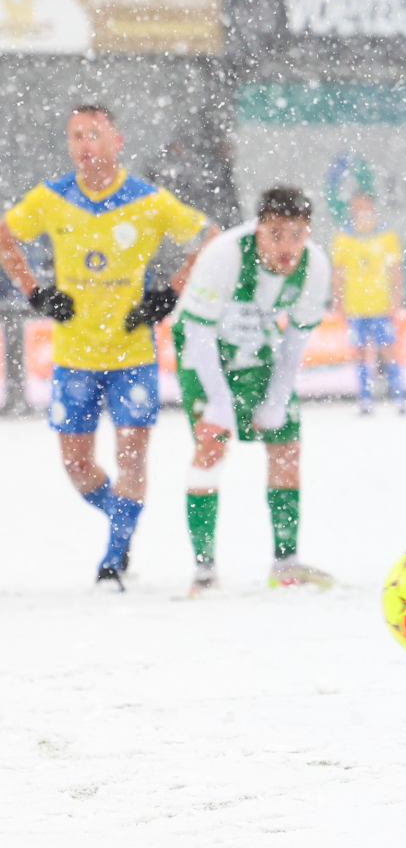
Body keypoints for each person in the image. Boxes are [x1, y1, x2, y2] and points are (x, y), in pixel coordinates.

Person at [0, 105, 216, 590]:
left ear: (117, 141)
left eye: (94, 134)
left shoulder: (149, 200)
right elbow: (5, 234)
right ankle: (125, 518)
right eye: (76, 135)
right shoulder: (52, 198)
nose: (84, 144)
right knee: (77, 466)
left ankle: (114, 557)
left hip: (132, 356)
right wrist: (35, 291)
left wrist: (172, 293)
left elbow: (210, 238)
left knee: (132, 458)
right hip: (74, 358)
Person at [173, 187, 335, 596]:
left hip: (257, 346)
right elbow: (197, 332)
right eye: (276, 234)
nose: (287, 246)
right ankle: (204, 569)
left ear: (308, 232)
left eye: (296, 235)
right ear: (258, 229)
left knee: (287, 446)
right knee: (211, 444)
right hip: (203, 351)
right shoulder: (225, 255)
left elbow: (296, 340)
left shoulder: (315, 266)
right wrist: (219, 402)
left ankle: (286, 562)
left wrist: (278, 398)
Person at [331, 191, 406, 414]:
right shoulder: (343, 237)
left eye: (364, 205)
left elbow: (395, 269)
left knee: (389, 350)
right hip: (356, 305)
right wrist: (338, 300)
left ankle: (399, 397)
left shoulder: (386, 236)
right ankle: (365, 399)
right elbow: (338, 270)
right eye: (356, 206)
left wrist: (396, 298)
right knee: (360, 352)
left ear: (371, 207)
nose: (360, 210)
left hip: (381, 304)